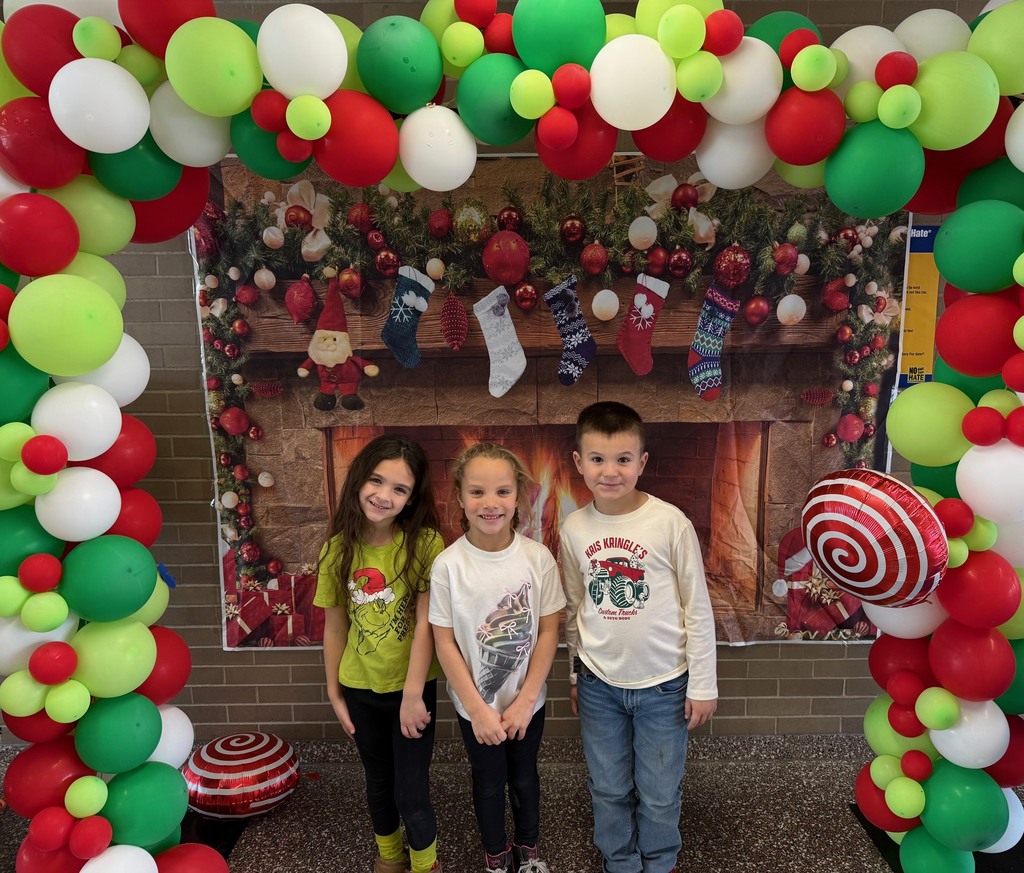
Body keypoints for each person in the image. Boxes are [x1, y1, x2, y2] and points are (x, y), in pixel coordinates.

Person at [560, 402, 718, 873]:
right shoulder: (573, 529)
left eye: (623, 459)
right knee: (607, 785)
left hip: (665, 685)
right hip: (598, 685)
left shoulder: (670, 523)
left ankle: (660, 860)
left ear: (642, 462)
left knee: (659, 788)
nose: (610, 471)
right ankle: (620, 862)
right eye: (598, 459)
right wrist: (574, 672)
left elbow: (698, 607)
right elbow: (574, 608)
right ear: (578, 462)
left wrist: (703, 684)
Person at [428, 443, 566, 873]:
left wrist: (525, 701)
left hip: (528, 704)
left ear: (518, 496)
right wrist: (477, 709)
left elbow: (548, 631)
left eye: (503, 491)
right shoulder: (448, 566)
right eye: (478, 492)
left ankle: (528, 848)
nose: (491, 503)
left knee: (524, 779)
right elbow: (445, 642)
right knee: (489, 783)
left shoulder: (537, 558)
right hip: (477, 709)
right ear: (460, 497)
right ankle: (495, 853)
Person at [314, 434, 444, 873]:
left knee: (411, 789)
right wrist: (334, 693)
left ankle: (426, 864)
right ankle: (389, 857)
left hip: (412, 690)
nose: (384, 495)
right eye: (376, 480)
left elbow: (428, 625)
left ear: (411, 499)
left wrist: (412, 695)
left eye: (399, 488)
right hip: (359, 689)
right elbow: (335, 627)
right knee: (378, 783)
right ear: (358, 481)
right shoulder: (337, 549)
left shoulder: (425, 545)